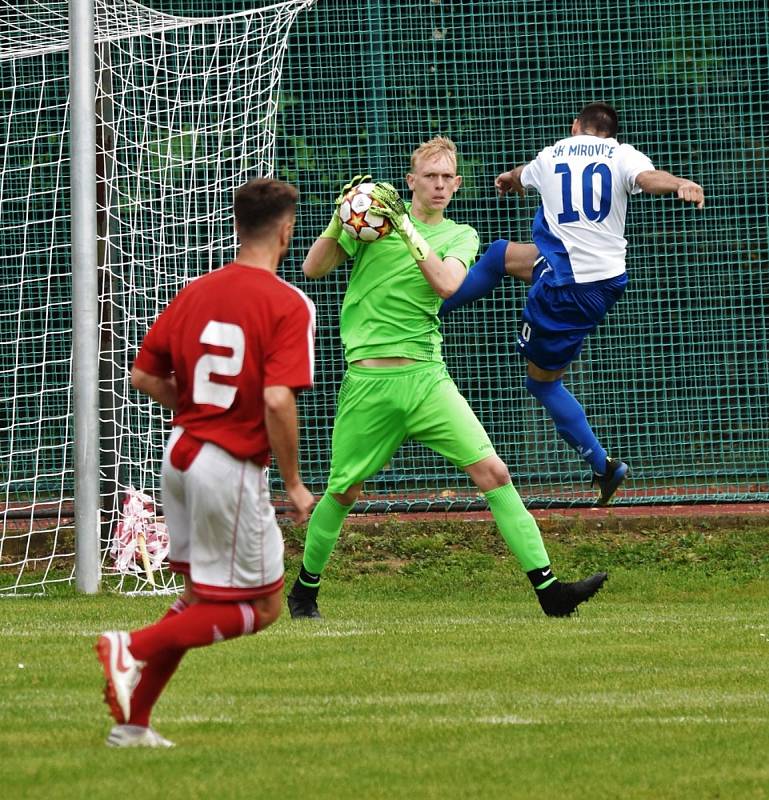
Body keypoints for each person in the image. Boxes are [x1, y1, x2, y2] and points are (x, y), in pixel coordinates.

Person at [286, 136, 606, 621]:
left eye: (446, 179)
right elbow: (312, 268)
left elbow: (448, 283)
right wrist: (341, 217)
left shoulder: (461, 235)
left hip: (427, 379)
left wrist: (405, 230)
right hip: (368, 382)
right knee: (343, 492)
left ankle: (551, 593)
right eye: (428, 177)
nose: (437, 186)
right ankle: (304, 593)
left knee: (493, 473)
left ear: (456, 185)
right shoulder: (371, 226)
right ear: (410, 181)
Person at [95, 178, 316, 748]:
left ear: (238, 226)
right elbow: (275, 399)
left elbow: (142, 376)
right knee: (265, 604)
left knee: (197, 598)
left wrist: (193, 404)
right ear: (287, 230)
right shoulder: (289, 303)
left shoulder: (195, 291)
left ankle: (132, 725)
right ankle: (131, 648)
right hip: (227, 468)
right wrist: (292, 482)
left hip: (180, 455)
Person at [439, 103, 705, 504]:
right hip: (593, 277)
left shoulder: (553, 153)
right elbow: (649, 179)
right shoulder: (621, 154)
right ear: (609, 134)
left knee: (542, 382)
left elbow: (518, 175)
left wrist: (508, 180)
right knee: (499, 255)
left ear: (575, 126)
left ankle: (604, 466)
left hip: (569, 288)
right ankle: (430, 309)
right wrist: (680, 183)